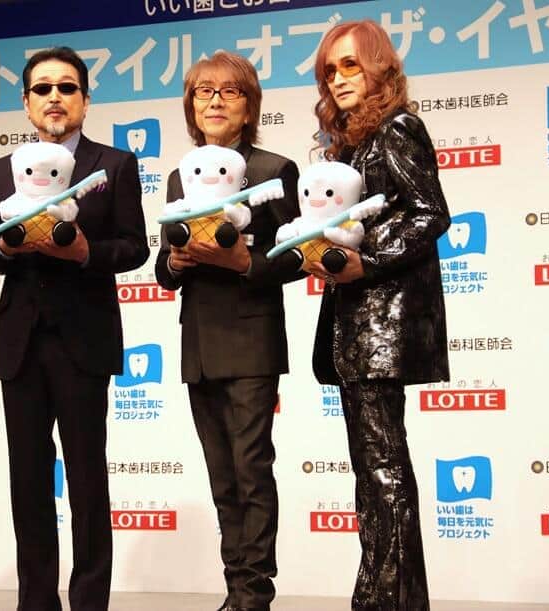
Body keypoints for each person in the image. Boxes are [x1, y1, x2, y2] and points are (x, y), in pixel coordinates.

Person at [0, 46, 148, 611]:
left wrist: (83, 252)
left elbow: (134, 247)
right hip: (21, 341)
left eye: (67, 87)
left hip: (84, 339)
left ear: (85, 100)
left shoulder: (113, 164)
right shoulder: (1, 169)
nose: (55, 97)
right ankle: (35, 601)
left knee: (87, 477)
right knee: (28, 479)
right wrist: (8, 246)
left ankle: (90, 600)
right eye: (43, 88)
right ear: (26, 103)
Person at [309, 19, 451, 610]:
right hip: (356, 332)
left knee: (384, 471)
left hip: (382, 329)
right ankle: (380, 596)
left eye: (351, 65)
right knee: (373, 474)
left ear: (380, 68)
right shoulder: (353, 144)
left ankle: (389, 600)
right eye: (330, 70)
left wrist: (364, 261)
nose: (339, 79)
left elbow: (429, 213)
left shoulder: (398, 128)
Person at [154, 51, 301, 611]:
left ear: (249, 107)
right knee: (221, 477)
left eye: (229, 91)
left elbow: (296, 256)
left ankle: (253, 594)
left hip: (251, 338)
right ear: (191, 106)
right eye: (203, 91)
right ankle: (234, 587)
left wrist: (244, 262)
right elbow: (164, 267)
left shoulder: (273, 170)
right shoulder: (180, 175)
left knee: (251, 470)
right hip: (198, 341)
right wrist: (177, 262)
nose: (215, 101)